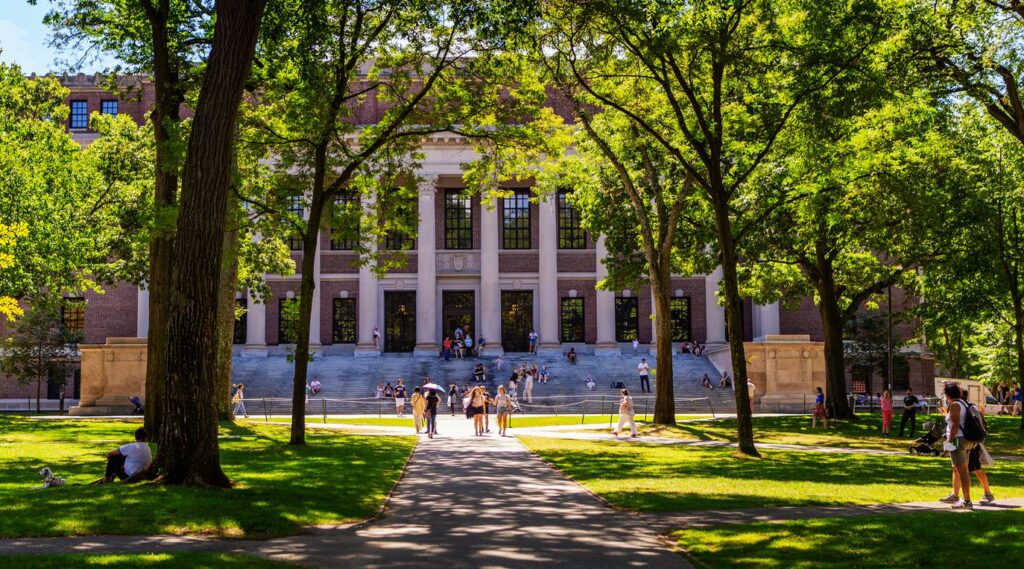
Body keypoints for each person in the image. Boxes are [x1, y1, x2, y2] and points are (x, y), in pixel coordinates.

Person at [940, 393, 996, 506]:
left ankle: (986, 494)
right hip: (961, 440)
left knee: (974, 468)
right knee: (956, 468)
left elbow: (978, 425)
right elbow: (954, 424)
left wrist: (976, 441)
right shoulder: (959, 407)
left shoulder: (969, 407)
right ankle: (955, 495)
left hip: (971, 441)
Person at [939, 383, 973, 509]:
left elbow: (954, 425)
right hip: (966, 440)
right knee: (960, 470)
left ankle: (967, 501)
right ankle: (961, 498)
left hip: (957, 440)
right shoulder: (963, 404)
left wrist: (948, 443)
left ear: (947, 395)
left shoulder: (954, 405)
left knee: (962, 472)